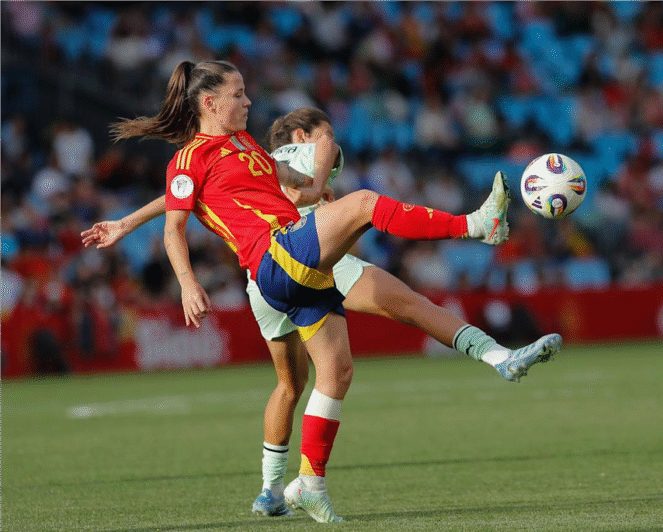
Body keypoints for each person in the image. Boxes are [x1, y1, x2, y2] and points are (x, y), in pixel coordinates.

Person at [88, 61, 562, 522]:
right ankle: (477, 225)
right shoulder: (188, 160)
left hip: (298, 270)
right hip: (274, 258)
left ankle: (308, 485)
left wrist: (315, 182)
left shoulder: (243, 144)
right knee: (365, 205)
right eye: (238, 94)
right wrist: (187, 283)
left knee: (335, 373)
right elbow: (175, 225)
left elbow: (291, 183)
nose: (249, 100)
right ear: (209, 103)